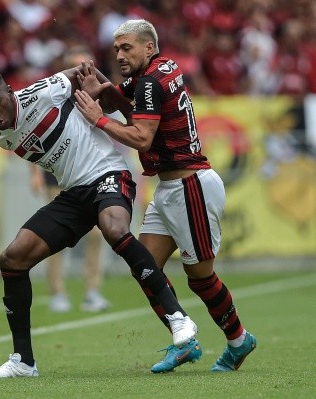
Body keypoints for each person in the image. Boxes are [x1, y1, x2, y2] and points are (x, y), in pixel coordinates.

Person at [0, 63, 200, 378]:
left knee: (114, 228)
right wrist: (81, 111)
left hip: (108, 172)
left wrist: (116, 105)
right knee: (12, 258)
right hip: (75, 194)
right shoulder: (3, 138)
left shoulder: (42, 92)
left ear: (10, 92)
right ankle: (23, 361)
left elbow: (84, 69)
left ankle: (178, 318)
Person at [73, 19, 256, 373]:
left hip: (192, 186)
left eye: (127, 48)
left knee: (201, 277)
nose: (120, 55)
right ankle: (185, 340)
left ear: (148, 47)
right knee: (146, 267)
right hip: (170, 187)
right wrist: (105, 89)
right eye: (116, 50)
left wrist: (98, 118)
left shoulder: (150, 81)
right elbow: (131, 105)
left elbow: (141, 136)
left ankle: (238, 341)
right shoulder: (159, 71)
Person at [30, 45, 111, 313]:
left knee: (98, 235)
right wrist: (35, 174)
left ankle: (92, 290)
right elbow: (36, 136)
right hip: (57, 174)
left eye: (86, 65)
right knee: (56, 236)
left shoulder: (98, 96)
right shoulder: (55, 97)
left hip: (91, 172)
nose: (82, 71)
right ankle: (57, 292)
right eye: (77, 65)